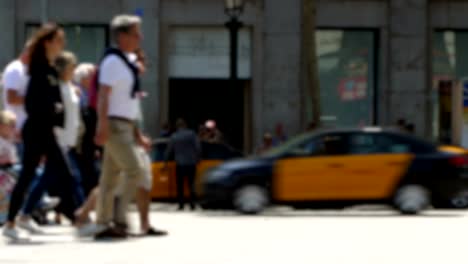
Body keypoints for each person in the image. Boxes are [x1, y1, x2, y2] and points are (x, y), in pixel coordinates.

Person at [2, 23, 73, 241]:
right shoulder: (39, 69)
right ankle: (81, 218)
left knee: (29, 177)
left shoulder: (47, 69)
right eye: (59, 40)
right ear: (47, 43)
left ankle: (16, 219)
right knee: (62, 174)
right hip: (38, 129)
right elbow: (32, 102)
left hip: (43, 129)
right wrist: (53, 108)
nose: (62, 44)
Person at [92, 14, 151, 239]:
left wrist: (137, 133)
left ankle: (103, 222)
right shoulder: (113, 62)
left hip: (124, 124)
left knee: (109, 177)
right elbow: (103, 95)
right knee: (135, 170)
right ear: (122, 36)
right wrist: (102, 125)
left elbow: (130, 101)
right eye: (136, 33)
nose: (140, 37)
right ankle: (117, 216)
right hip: (115, 124)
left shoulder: (126, 61)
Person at [73, 63, 100, 197]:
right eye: (91, 76)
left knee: (90, 169)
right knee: (82, 169)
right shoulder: (77, 93)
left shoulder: (92, 93)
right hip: (80, 138)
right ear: (82, 78)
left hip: (89, 138)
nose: (94, 79)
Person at [164, 118, 201, 211]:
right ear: (185, 125)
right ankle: (192, 204)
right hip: (191, 163)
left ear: (177, 126)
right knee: (191, 184)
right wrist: (198, 158)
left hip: (180, 164)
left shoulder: (174, 136)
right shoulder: (192, 134)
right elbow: (198, 147)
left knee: (180, 185)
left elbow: (169, 150)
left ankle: (181, 205)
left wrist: (165, 162)